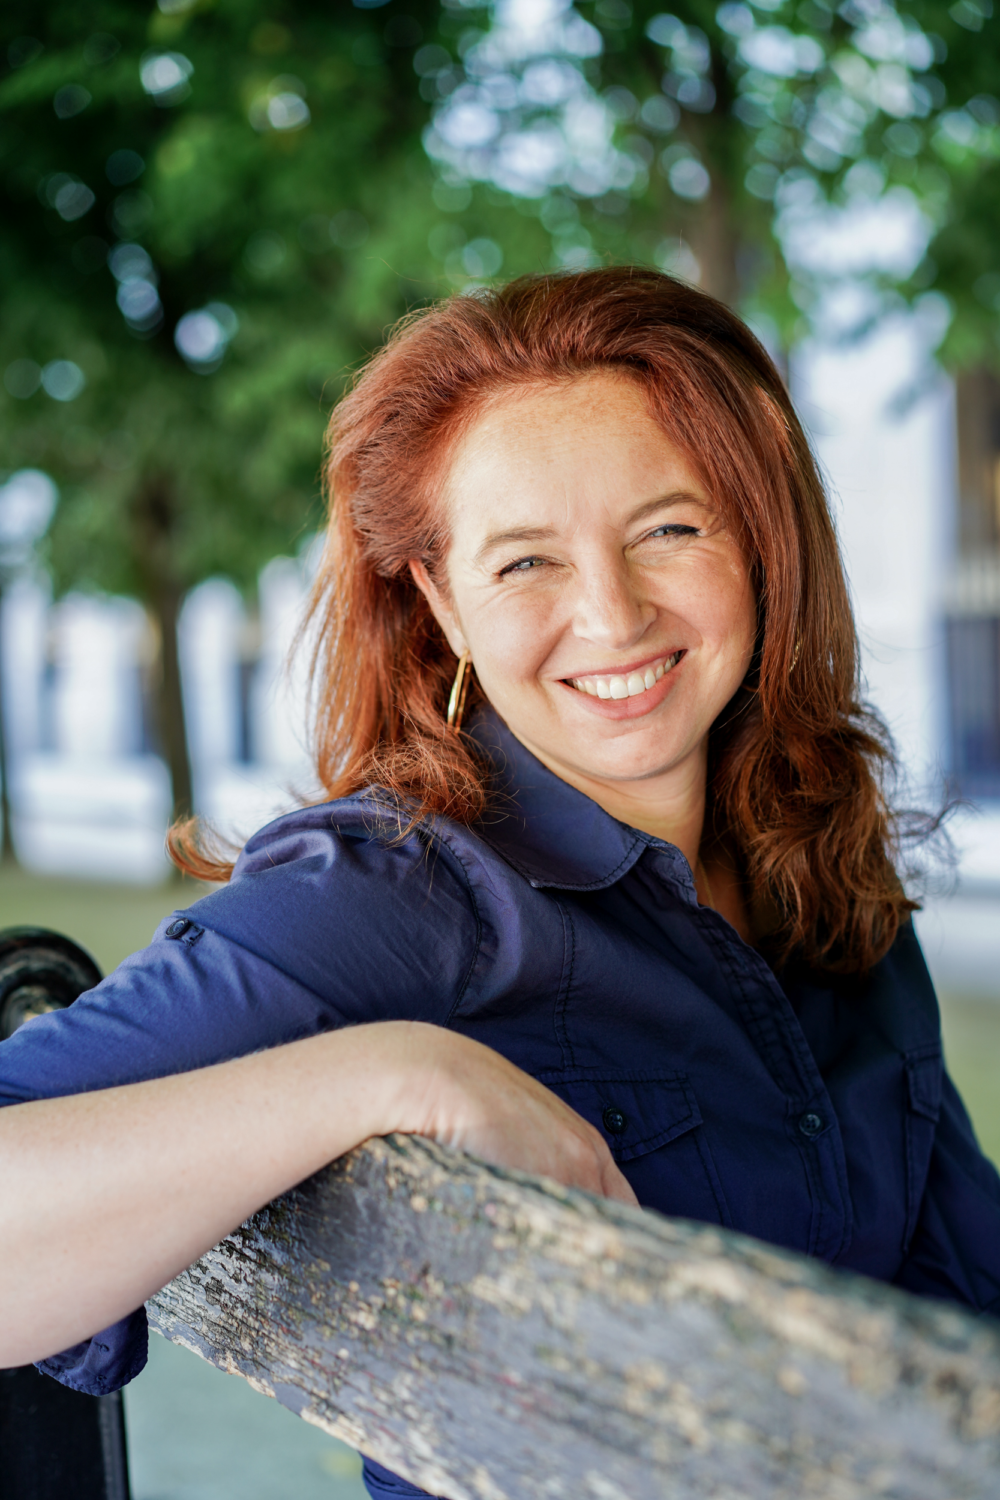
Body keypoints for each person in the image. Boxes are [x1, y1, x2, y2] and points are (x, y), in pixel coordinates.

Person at [1, 268, 997, 1500]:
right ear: (440, 601)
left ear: (762, 542)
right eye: (526, 562)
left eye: (670, 529)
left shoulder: (822, 869)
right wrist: (389, 1071)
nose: (612, 614)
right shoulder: (386, 894)